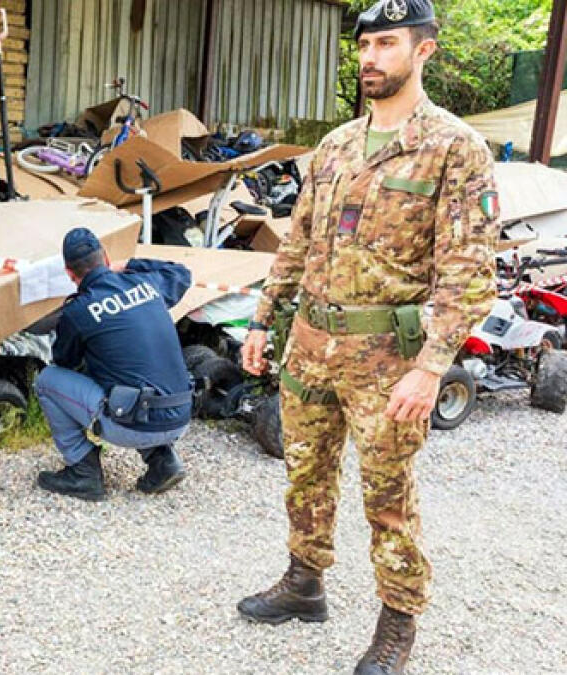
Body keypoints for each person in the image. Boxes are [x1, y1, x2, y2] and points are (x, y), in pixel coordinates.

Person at [236, 2, 499, 672]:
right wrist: (264, 319)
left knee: (387, 496)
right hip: (312, 346)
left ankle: (398, 621)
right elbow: (297, 240)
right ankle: (304, 581)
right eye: (364, 46)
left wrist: (432, 366)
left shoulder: (454, 148)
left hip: (389, 360)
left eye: (387, 44)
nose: (370, 58)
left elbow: (466, 272)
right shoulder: (335, 146)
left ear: (425, 52)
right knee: (304, 475)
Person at [34, 228, 193, 501]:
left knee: (48, 381)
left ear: (69, 274)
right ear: (106, 258)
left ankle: (83, 471)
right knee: (135, 370)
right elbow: (181, 273)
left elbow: (65, 362)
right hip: (182, 414)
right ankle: (163, 460)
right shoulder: (146, 284)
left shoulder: (79, 310)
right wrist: (130, 264)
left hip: (134, 426)